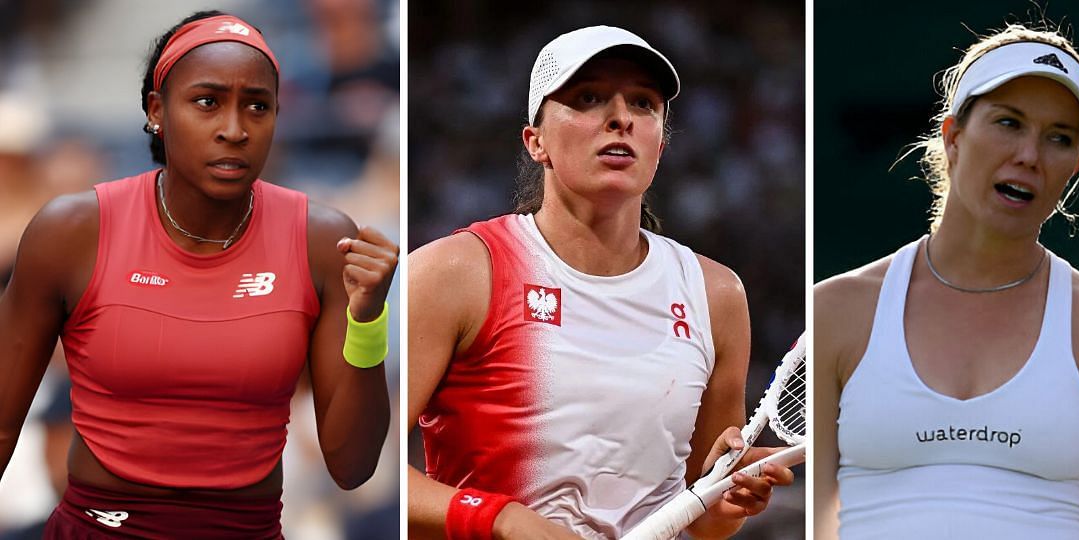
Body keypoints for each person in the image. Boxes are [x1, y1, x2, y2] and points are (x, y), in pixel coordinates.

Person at [0, 10, 397, 538]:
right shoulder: (70, 231)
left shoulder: (323, 241)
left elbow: (352, 466)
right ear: (157, 112)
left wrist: (368, 322)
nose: (234, 130)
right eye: (207, 102)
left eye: (257, 106)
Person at [814, 23, 1079, 539]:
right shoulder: (835, 312)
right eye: (1008, 123)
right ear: (952, 136)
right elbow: (814, 520)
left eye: (1059, 137)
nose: (1030, 156)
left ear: (1076, 168)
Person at [409, 25, 795, 540]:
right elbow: (367, 466)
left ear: (660, 144)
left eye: (643, 104)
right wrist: (502, 517)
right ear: (536, 140)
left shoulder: (716, 294)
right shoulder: (455, 272)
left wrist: (729, 500)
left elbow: (703, 512)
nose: (620, 118)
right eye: (588, 98)